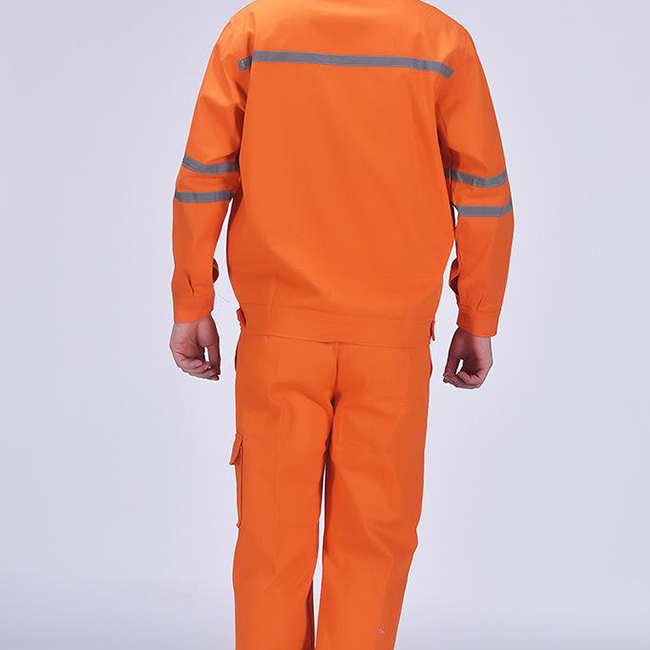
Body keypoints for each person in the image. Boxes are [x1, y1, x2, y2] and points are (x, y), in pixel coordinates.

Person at [169, 0, 514, 647]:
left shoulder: (255, 32)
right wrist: (478, 313)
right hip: (391, 343)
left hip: (279, 338)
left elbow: (204, 174)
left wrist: (193, 300)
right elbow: (485, 190)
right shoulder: (441, 43)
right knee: (374, 544)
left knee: (271, 546)